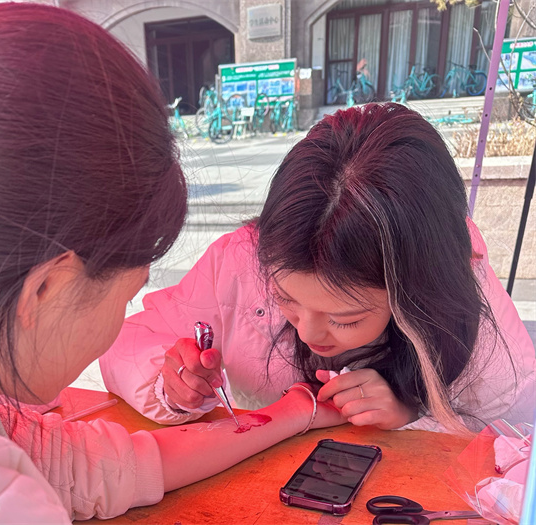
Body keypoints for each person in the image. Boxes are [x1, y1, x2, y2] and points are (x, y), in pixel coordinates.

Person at [0, 5, 345, 523]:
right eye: (127, 295)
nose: (121, 320)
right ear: (46, 287)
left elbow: (103, 467)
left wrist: (296, 408)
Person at [101, 102, 536, 435]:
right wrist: (170, 383)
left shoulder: (467, 308)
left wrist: (413, 416)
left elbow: (513, 442)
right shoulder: (238, 259)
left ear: (416, 290)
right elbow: (124, 341)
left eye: (345, 319)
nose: (309, 332)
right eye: (284, 298)